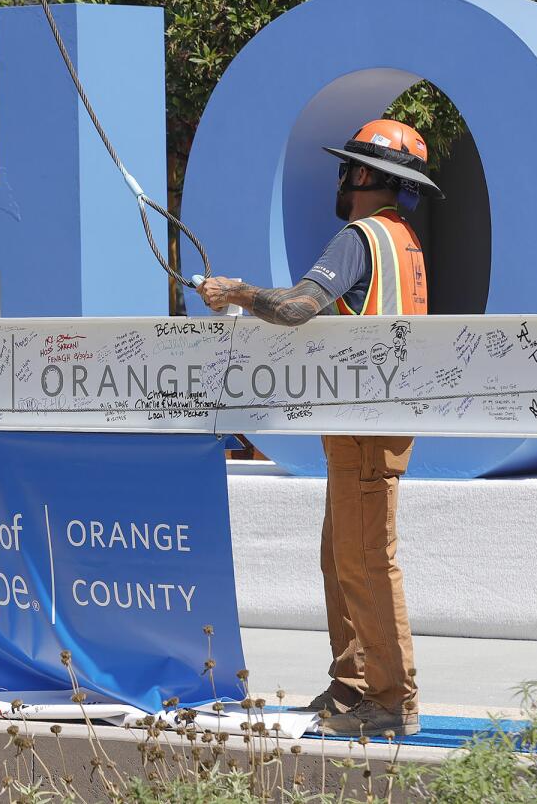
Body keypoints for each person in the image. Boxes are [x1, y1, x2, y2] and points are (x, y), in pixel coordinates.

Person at [197, 120, 441, 737]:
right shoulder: (402, 240)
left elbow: (297, 308)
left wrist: (238, 292)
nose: (341, 179)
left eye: (348, 168)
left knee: (362, 563)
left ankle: (389, 700)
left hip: (363, 426)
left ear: (363, 175)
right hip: (376, 422)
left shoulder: (358, 238)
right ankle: (353, 685)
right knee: (343, 560)